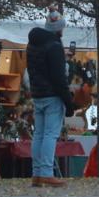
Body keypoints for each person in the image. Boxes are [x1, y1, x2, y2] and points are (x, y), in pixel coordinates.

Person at [25, 11, 72, 187]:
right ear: (59, 28)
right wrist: (68, 101)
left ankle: (36, 173)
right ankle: (46, 172)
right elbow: (59, 77)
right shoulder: (54, 46)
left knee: (38, 134)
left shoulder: (32, 44)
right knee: (50, 135)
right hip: (53, 95)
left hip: (38, 94)